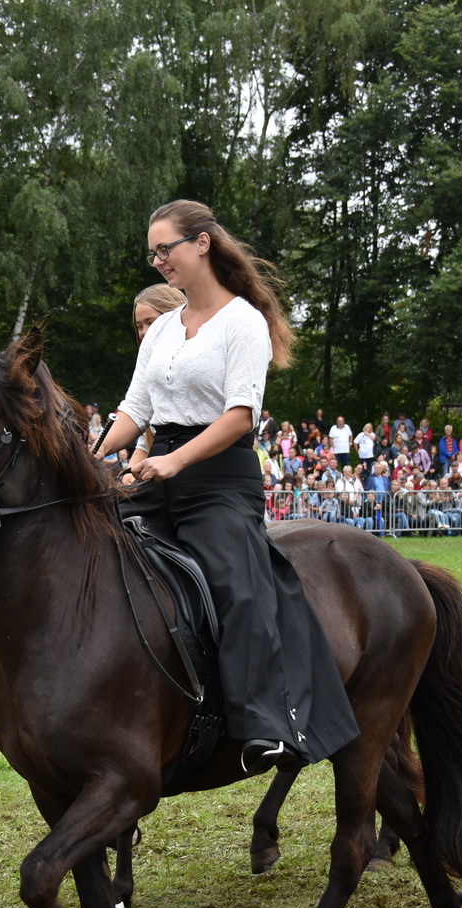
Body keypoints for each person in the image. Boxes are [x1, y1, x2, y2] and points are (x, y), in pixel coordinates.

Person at [95, 199, 358, 776]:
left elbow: (240, 416)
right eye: (153, 253)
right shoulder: (164, 328)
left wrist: (173, 461)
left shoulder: (244, 322)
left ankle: (265, 724)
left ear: (202, 243)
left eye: (165, 249)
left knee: (239, 588)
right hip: (159, 470)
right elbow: (135, 409)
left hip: (219, 481)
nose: (159, 261)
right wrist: (90, 458)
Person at [125, 284, 186, 475]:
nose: (144, 332)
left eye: (151, 322)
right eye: (139, 326)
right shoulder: (149, 373)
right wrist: (130, 474)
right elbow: (145, 441)